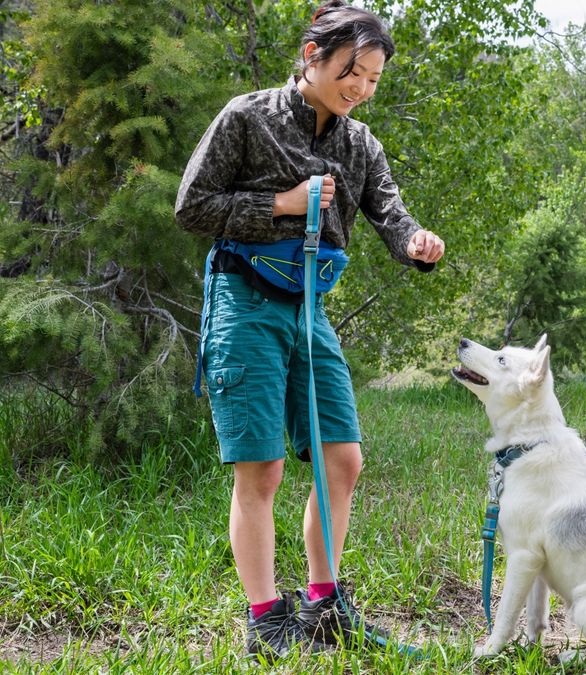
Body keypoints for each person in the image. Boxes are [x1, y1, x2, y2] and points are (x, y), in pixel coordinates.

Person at [175, 0, 443, 660]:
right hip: (244, 300)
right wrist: (282, 205)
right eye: (353, 70)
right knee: (261, 468)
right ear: (312, 57)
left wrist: (416, 242)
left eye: (374, 78)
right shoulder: (248, 117)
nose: (362, 87)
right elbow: (192, 206)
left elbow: (391, 214)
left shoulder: (360, 144)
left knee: (342, 460)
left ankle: (324, 608)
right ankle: (266, 620)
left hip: (309, 311)